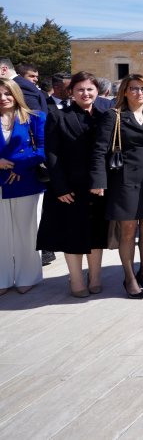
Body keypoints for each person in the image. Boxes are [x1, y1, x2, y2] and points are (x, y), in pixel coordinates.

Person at [90, 74, 143, 299]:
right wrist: (98, 181)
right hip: (125, 182)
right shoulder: (114, 116)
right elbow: (99, 150)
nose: (139, 93)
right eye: (134, 88)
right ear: (124, 91)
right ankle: (129, 277)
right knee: (128, 231)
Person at [37, 72, 108, 297]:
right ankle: (76, 279)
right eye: (80, 89)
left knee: (96, 234)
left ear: (97, 91)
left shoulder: (105, 116)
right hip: (70, 187)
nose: (85, 93)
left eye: (89, 89)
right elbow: (52, 154)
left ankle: (95, 276)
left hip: (98, 186)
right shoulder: (58, 116)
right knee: (72, 234)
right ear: (71, 92)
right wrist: (60, 187)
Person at [0, 78, 47, 294]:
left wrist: (18, 166)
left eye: (7, 93)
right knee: (1, 233)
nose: (3, 98)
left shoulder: (35, 118)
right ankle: (2, 279)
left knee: (26, 231)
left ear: (16, 94)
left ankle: (27, 276)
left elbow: (43, 149)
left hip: (25, 181)